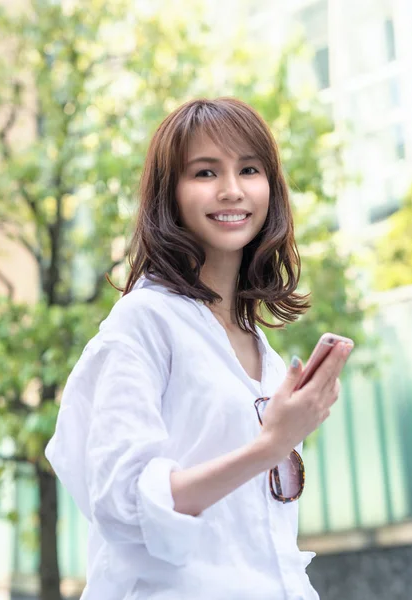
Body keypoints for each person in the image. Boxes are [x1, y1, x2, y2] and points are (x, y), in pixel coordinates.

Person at [45, 97, 353, 599]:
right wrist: (269, 446)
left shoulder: (264, 354)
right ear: (171, 194)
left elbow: (261, 540)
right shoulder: (144, 321)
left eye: (249, 169)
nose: (232, 190)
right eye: (205, 172)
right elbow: (124, 503)